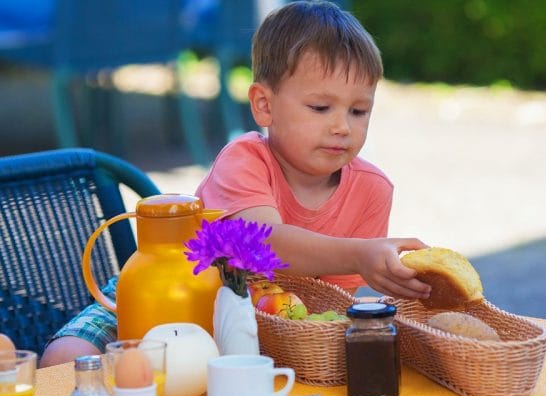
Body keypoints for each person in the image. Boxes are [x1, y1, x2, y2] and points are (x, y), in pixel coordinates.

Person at [40, 0, 431, 367]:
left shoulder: (372, 190)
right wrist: (359, 253)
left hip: (261, 327)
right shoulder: (244, 158)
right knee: (67, 357)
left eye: (359, 111)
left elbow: (326, 303)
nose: (342, 127)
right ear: (264, 105)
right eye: (320, 107)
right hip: (170, 292)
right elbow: (260, 244)